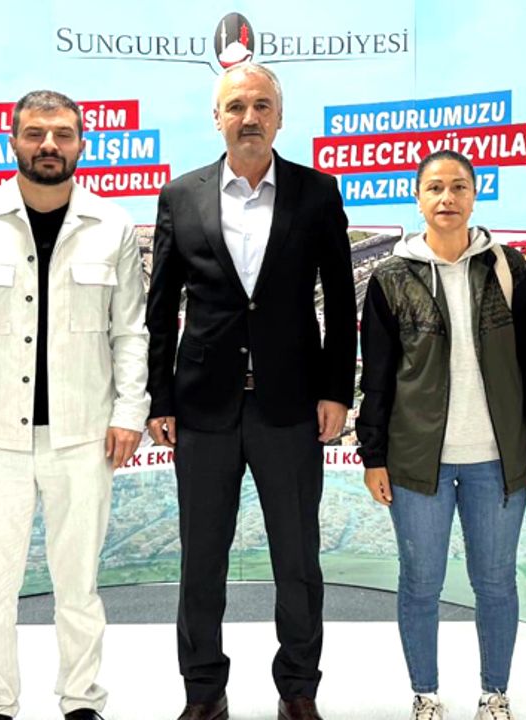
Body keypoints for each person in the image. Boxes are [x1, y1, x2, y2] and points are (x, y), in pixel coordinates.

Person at [0, 90, 149, 720]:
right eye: (35, 133)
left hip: (84, 437)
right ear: (12, 141)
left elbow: (130, 331)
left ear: (82, 144)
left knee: (79, 587)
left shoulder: (113, 226)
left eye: (63, 134)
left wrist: (129, 412)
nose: (49, 145)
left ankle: (81, 701)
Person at [145, 61, 356, 720]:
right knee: (201, 561)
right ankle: (203, 692)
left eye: (262, 105)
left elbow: (341, 299)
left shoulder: (317, 193)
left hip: (290, 407)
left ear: (280, 117)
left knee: (298, 560)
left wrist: (336, 391)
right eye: (236, 106)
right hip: (202, 408)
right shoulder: (181, 196)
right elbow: (160, 308)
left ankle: (298, 689)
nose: (249, 117)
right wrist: (158, 399)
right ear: (217, 118)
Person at [357, 150, 526, 720]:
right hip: (417, 463)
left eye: (459, 186)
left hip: (497, 460)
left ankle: (494, 694)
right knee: (420, 583)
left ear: (474, 195)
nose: (447, 198)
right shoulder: (390, 277)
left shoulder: (508, 268)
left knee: (496, 583)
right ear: (418, 199)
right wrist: (373, 455)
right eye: (435, 187)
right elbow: (376, 377)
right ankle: (426, 694)